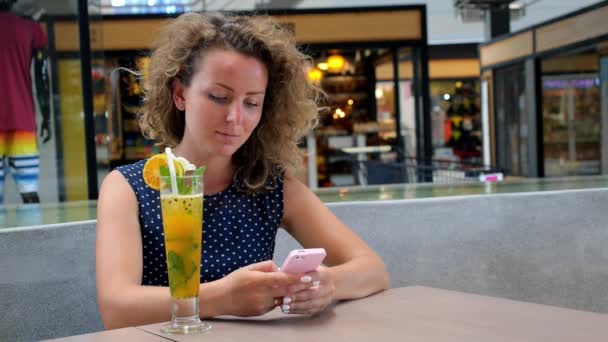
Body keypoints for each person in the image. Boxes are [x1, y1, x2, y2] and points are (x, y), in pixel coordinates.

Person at [96, 12, 389, 329]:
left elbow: (373, 270)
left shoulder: (270, 185)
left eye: (252, 103)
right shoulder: (129, 188)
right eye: (219, 97)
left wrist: (326, 283)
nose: (235, 118)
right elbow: (116, 308)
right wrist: (222, 297)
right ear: (180, 94)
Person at [0, 0, 51, 204]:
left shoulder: (31, 27)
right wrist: (46, 117)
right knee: (29, 192)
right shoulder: (30, 28)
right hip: (21, 117)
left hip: (21, 117)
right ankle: (35, 235)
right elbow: (42, 78)